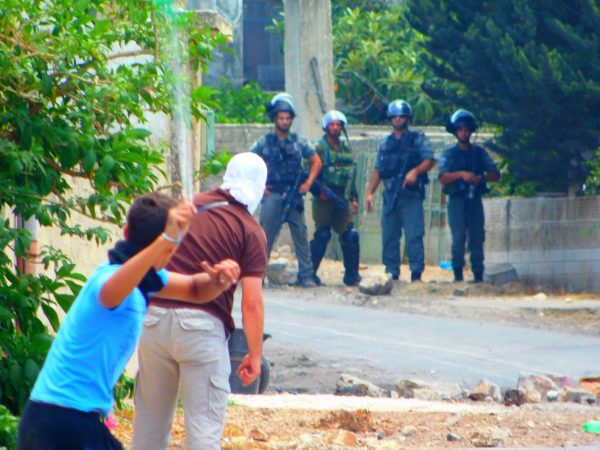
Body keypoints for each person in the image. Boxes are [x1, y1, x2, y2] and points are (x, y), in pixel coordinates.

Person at [17, 193, 240, 450]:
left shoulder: (148, 280)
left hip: (57, 420)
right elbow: (110, 293)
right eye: (170, 250)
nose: (170, 255)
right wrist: (165, 240)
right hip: (60, 422)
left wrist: (218, 281)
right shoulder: (109, 278)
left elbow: (195, 289)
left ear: (125, 231)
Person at [132, 152, 269, 450]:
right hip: (201, 328)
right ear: (260, 186)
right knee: (203, 430)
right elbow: (252, 303)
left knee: (148, 426)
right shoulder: (250, 230)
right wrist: (255, 354)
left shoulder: (188, 205)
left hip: (153, 320)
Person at [250, 93, 323, 288]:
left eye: (287, 118)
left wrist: (308, 183)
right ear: (275, 118)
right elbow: (249, 161)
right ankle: (258, 274)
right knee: (265, 235)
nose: (284, 121)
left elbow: (316, 161)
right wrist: (259, 186)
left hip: (293, 194)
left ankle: (306, 275)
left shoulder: (299, 142)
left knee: (300, 235)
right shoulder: (264, 142)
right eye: (281, 118)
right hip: (273, 193)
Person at [365, 100, 435, 282]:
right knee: (389, 235)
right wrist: (370, 193)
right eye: (394, 116)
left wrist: (415, 171)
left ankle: (416, 273)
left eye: (401, 116)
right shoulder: (385, 143)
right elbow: (378, 169)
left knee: (414, 235)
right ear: (390, 118)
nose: (398, 119)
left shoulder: (417, 139)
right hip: (390, 195)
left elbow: (429, 160)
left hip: (410, 195)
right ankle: (392, 272)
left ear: (407, 118)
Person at [439, 109, 500, 283]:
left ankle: (478, 274)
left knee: (477, 237)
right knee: (458, 238)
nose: (463, 133)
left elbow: (495, 174)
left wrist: (481, 178)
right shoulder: (449, 154)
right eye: (460, 130)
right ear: (455, 132)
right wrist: (461, 175)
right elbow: (443, 177)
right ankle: (458, 274)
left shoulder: (479, 153)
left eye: (466, 130)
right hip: (457, 199)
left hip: (474, 199)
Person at [310, 110, 361, 286]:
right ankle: (309, 273)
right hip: (323, 199)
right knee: (322, 235)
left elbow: (350, 176)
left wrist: (353, 198)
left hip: (342, 198)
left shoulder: (346, 148)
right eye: (332, 124)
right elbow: (308, 174)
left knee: (351, 235)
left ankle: (352, 275)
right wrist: (319, 193)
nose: (335, 127)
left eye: (338, 125)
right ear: (326, 127)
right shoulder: (319, 147)